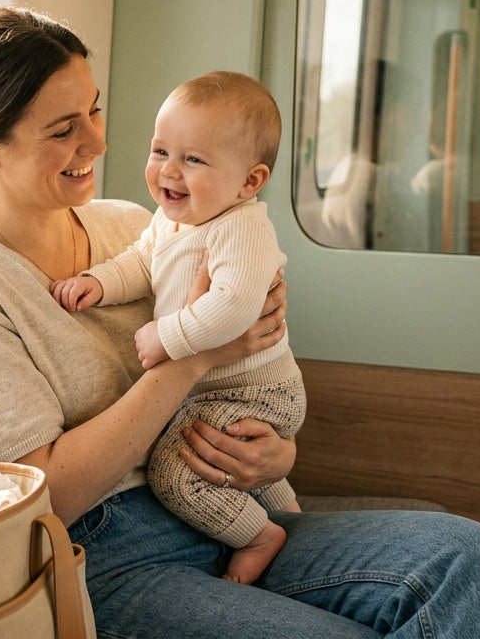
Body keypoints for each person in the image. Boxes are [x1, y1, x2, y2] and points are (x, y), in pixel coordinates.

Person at [0, 4, 480, 637]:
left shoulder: (133, 223)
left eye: (94, 110)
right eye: (63, 129)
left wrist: (273, 455)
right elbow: (44, 498)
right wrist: (192, 359)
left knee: (469, 558)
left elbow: (244, 355)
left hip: (222, 503)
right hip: (103, 557)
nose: (96, 141)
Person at [50, 71, 304, 585]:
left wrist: (169, 338)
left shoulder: (243, 228)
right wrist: (98, 282)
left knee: (177, 469)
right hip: (217, 388)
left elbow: (235, 307)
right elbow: (143, 263)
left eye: (193, 159)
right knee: (214, 450)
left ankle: (259, 534)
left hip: (257, 391)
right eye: (160, 151)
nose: (169, 171)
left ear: (249, 182)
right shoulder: (171, 221)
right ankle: (286, 516)